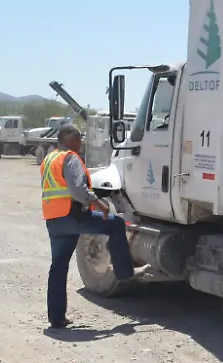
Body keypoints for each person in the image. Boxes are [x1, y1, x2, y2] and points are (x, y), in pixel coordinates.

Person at [41, 124, 147, 329]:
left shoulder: (49, 158)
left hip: (54, 220)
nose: (82, 142)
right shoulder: (70, 158)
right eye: (79, 138)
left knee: (58, 267)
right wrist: (98, 203)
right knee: (115, 224)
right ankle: (125, 273)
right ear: (71, 140)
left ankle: (56, 318)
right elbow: (78, 189)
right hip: (73, 216)